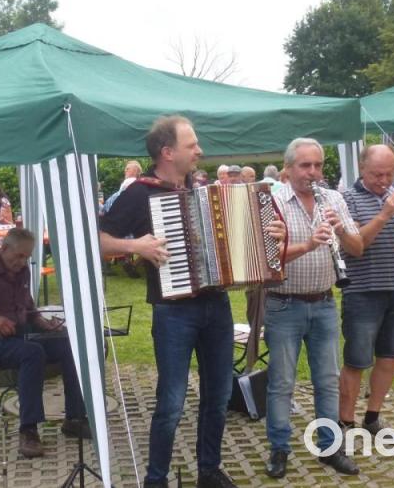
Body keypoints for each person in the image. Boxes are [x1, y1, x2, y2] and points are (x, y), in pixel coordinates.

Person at [99, 115, 285, 488]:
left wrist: (271, 234)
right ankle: (156, 479)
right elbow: (97, 239)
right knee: (171, 401)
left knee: (217, 394)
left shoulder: (202, 189)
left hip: (215, 305)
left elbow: (246, 240)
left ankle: (208, 471)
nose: (200, 150)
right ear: (168, 152)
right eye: (192, 145)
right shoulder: (139, 192)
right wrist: (135, 245)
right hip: (173, 313)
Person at [263, 138, 363, 479]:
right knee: (281, 383)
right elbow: (265, 260)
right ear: (288, 169)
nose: (313, 172)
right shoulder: (272, 202)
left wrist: (340, 229)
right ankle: (279, 449)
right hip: (283, 303)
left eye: (318, 165)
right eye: (305, 166)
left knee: (327, 380)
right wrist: (307, 244)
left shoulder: (333, 198)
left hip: (323, 302)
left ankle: (330, 447)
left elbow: (358, 246)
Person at [0, 228, 90, 458]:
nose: (21, 262)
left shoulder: (22, 271)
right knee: (32, 353)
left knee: (68, 344)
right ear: (4, 248)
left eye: (26, 257)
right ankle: (29, 430)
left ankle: (74, 418)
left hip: (17, 335)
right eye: (18, 256)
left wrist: (42, 322)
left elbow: (28, 308)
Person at [338, 144, 394, 440]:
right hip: (363, 290)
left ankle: (373, 417)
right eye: (377, 174)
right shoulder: (346, 199)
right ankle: (345, 423)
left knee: (390, 357)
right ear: (362, 169)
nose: (384, 180)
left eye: (389, 174)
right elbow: (356, 246)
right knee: (356, 360)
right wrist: (385, 214)